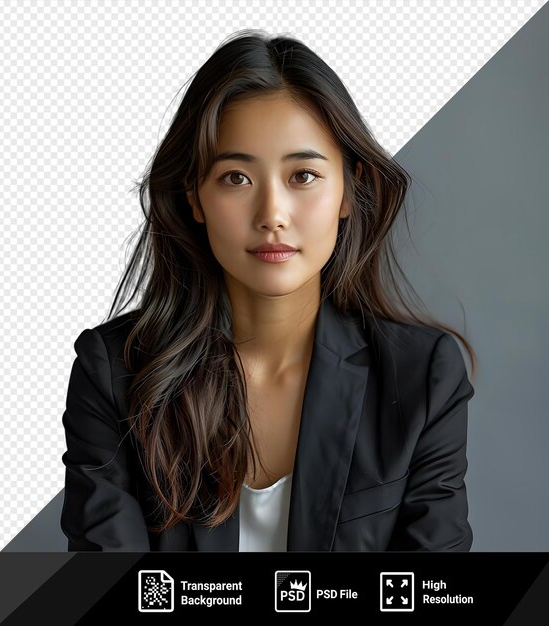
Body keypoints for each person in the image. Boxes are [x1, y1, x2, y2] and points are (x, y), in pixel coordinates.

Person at [60, 28, 477, 552]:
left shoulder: (421, 378)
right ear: (195, 197)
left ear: (350, 190)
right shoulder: (113, 373)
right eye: (236, 178)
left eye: (303, 176)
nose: (272, 216)